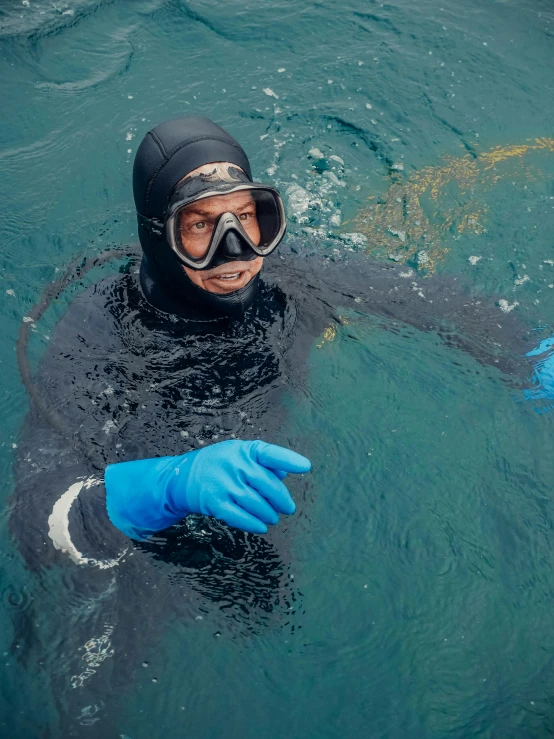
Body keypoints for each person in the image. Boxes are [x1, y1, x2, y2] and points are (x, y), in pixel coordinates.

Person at [9, 116, 554, 737]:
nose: (235, 252)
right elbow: (34, 522)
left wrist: (530, 354)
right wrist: (157, 490)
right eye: (200, 227)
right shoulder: (101, 324)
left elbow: (427, 301)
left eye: (249, 218)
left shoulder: (290, 276)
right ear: (158, 233)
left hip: (260, 496)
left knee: (262, 605)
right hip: (142, 526)